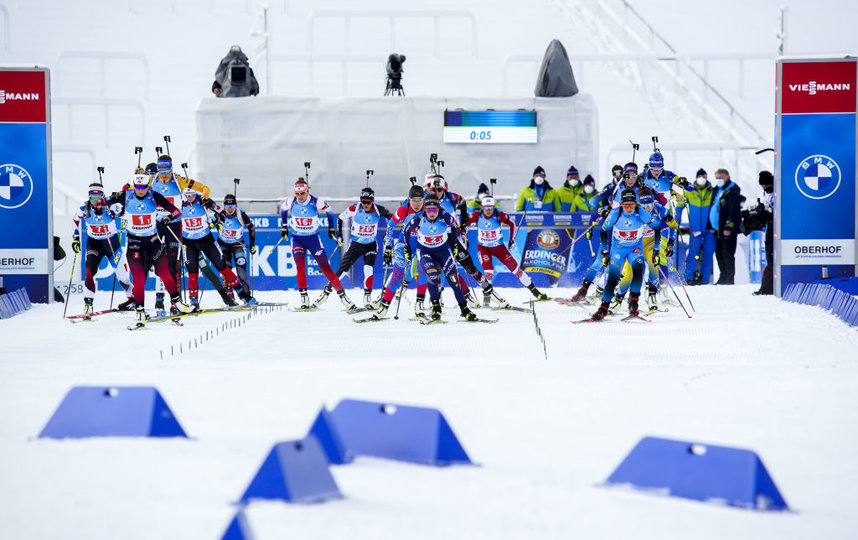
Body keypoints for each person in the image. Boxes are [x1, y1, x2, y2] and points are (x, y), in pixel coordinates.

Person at [104, 173, 189, 327]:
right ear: (134, 185)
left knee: (165, 274)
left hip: (153, 241)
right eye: (138, 187)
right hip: (134, 243)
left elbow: (177, 211)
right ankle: (140, 311)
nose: (141, 190)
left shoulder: (154, 195)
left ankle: (177, 303)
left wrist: (167, 219)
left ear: (148, 186)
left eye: (143, 187)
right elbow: (103, 202)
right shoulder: (126, 195)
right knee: (139, 280)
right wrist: (103, 203)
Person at [150, 155, 225, 313]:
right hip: (158, 224)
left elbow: (205, 188)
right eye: (161, 170)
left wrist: (204, 199)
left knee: (174, 266)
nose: (164, 174)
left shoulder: (180, 181)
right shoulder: (152, 180)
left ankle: (174, 303)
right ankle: (159, 301)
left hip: (176, 227)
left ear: (172, 168)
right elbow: (133, 188)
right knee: (159, 264)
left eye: (167, 170)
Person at [280, 177, 357, 310]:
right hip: (297, 238)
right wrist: (284, 227)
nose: (299, 197)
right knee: (300, 268)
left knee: (326, 268)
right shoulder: (291, 201)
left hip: (313, 239)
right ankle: (304, 299)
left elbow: (329, 210)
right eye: (297, 194)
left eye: (302, 193)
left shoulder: (315, 201)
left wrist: (331, 227)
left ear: (307, 191)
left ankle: (344, 298)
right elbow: (283, 210)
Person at [402, 196, 479, 322]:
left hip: (443, 251)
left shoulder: (445, 216)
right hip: (425, 252)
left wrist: (454, 244)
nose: (431, 213)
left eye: (434, 209)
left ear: (438, 208)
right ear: (424, 209)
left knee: (454, 280)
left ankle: (465, 309)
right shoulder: (419, 218)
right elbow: (406, 230)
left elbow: (455, 227)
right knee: (432, 277)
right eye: (428, 209)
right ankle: (436, 308)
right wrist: (407, 248)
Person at [314, 187, 393, 309]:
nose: (365, 205)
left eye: (368, 202)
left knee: (368, 270)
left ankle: (367, 298)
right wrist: (339, 234)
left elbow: (392, 219)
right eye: (363, 202)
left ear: (372, 201)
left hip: (371, 244)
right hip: (355, 245)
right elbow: (340, 217)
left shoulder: (379, 209)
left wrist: (387, 234)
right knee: (342, 271)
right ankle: (325, 293)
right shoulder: (355, 208)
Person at [426, 174, 498, 306]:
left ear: (444, 188)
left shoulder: (452, 197)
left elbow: (463, 201)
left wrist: (463, 224)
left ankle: (491, 293)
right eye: (434, 190)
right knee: (440, 271)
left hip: (452, 238)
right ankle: (437, 300)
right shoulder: (429, 200)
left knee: (469, 266)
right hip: (436, 241)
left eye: (440, 189)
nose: (437, 192)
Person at [583, 188, 653, 322]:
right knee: (613, 279)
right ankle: (603, 309)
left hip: (635, 248)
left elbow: (656, 226)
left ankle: (633, 304)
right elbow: (603, 232)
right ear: (621, 204)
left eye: (631, 204)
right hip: (618, 250)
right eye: (626, 205)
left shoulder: (641, 213)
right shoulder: (615, 214)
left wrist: (657, 247)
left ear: (636, 204)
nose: (629, 208)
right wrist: (604, 251)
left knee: (638, 272)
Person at [180, 188, 255, 311]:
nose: (190, 198)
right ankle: (194, 302)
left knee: (223, 268)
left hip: (206, 241)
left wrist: (214, 212)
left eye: (192, 195)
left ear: (196, 194)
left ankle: (243, 295)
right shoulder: (180, 203)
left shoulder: (202, 200)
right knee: (192, 272)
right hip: (189, 243)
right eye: (187, 196)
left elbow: (220, 211)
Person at [461, 197, 549, 301]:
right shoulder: (477, 215)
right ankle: (487, 298)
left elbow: (512, 224)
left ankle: (536, 292)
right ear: (482, 207)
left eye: (491, 208)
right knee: (488, 273)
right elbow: (463, 224)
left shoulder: (499, 215)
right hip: (484, 248)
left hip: (499, 248)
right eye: (486, 208)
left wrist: (511, 240)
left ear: (494, 207)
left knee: (517, 271)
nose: (488, 210)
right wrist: (463, 237)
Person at [367, 184, 430, 320]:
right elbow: (390, 224)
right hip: (403, 244)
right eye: (414, 200)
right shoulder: (404, 209)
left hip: (421, 245)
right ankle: (384, 308)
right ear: (409, 199)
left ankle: (419, 305)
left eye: (420, 200)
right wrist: (388, 246)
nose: (417, 204)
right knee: (397, 275)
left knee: (422, 272)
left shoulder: (428, 209)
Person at [72, 183, 135, 316]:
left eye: (98, 196)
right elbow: (75, 220)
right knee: (90, 271)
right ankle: (88, 304)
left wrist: (118, 211)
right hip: (94, 244)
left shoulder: (110, 206)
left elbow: (129, 214)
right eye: (92, 197)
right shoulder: (84, 208)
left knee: (123, 276)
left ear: (102, 196)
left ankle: (133, 300)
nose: (95, 200)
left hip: (111, 244)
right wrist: (76, 237)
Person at [612, 186, 674, 312]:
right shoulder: (633, 211)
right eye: (644, 205)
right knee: (629, 273)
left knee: (653, 263)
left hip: (651, 242)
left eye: (650, 204)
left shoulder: (659, 209)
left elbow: (672, 225)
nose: (647, 208)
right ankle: (617, 301)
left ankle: (652, 296)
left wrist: (670, 243)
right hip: (636, 244)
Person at [216, 193, 256, 300]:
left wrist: (252, 245)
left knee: (241, 269)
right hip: (223, 245)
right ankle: (230, 295)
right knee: (226, 270)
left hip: (237, 245)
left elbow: (251, 228)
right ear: (224, 206)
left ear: (236, 206)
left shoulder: (241, 215)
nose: (230, 209)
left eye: (232, 206)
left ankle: (246, 295)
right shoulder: (220, 214)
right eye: (227, 207)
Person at [710, 168, 742, 284]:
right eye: (716, 178)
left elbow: (734, 211)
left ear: (727, 177)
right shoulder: (717, 190)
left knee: (728, 254)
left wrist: (729, 227)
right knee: (719, 253)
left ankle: (729, 277)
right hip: (717, 229)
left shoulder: (732, 191)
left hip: (727, 229)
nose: (718, 180)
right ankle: (723, 275)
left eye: (720, 178)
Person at [683, 168, 715, 285]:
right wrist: (676, 218)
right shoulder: (689, 191)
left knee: (708, 254)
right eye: (699, 177)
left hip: (709, 230)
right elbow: (680, 205)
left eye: (703, 177)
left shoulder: (712, 191)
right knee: (693, 254)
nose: (701, 179)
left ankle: (705, 279)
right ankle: (689, 278)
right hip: (695, 228)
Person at [754, 170, 775, 295]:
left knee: (772, 260)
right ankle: (767, 287)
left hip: (775, 229)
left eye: (766, 186)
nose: (764, 188)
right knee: (770, 259)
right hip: (769, 229)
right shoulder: (767, 193)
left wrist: (767, 215)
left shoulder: (776, 191)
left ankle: (767, 288)